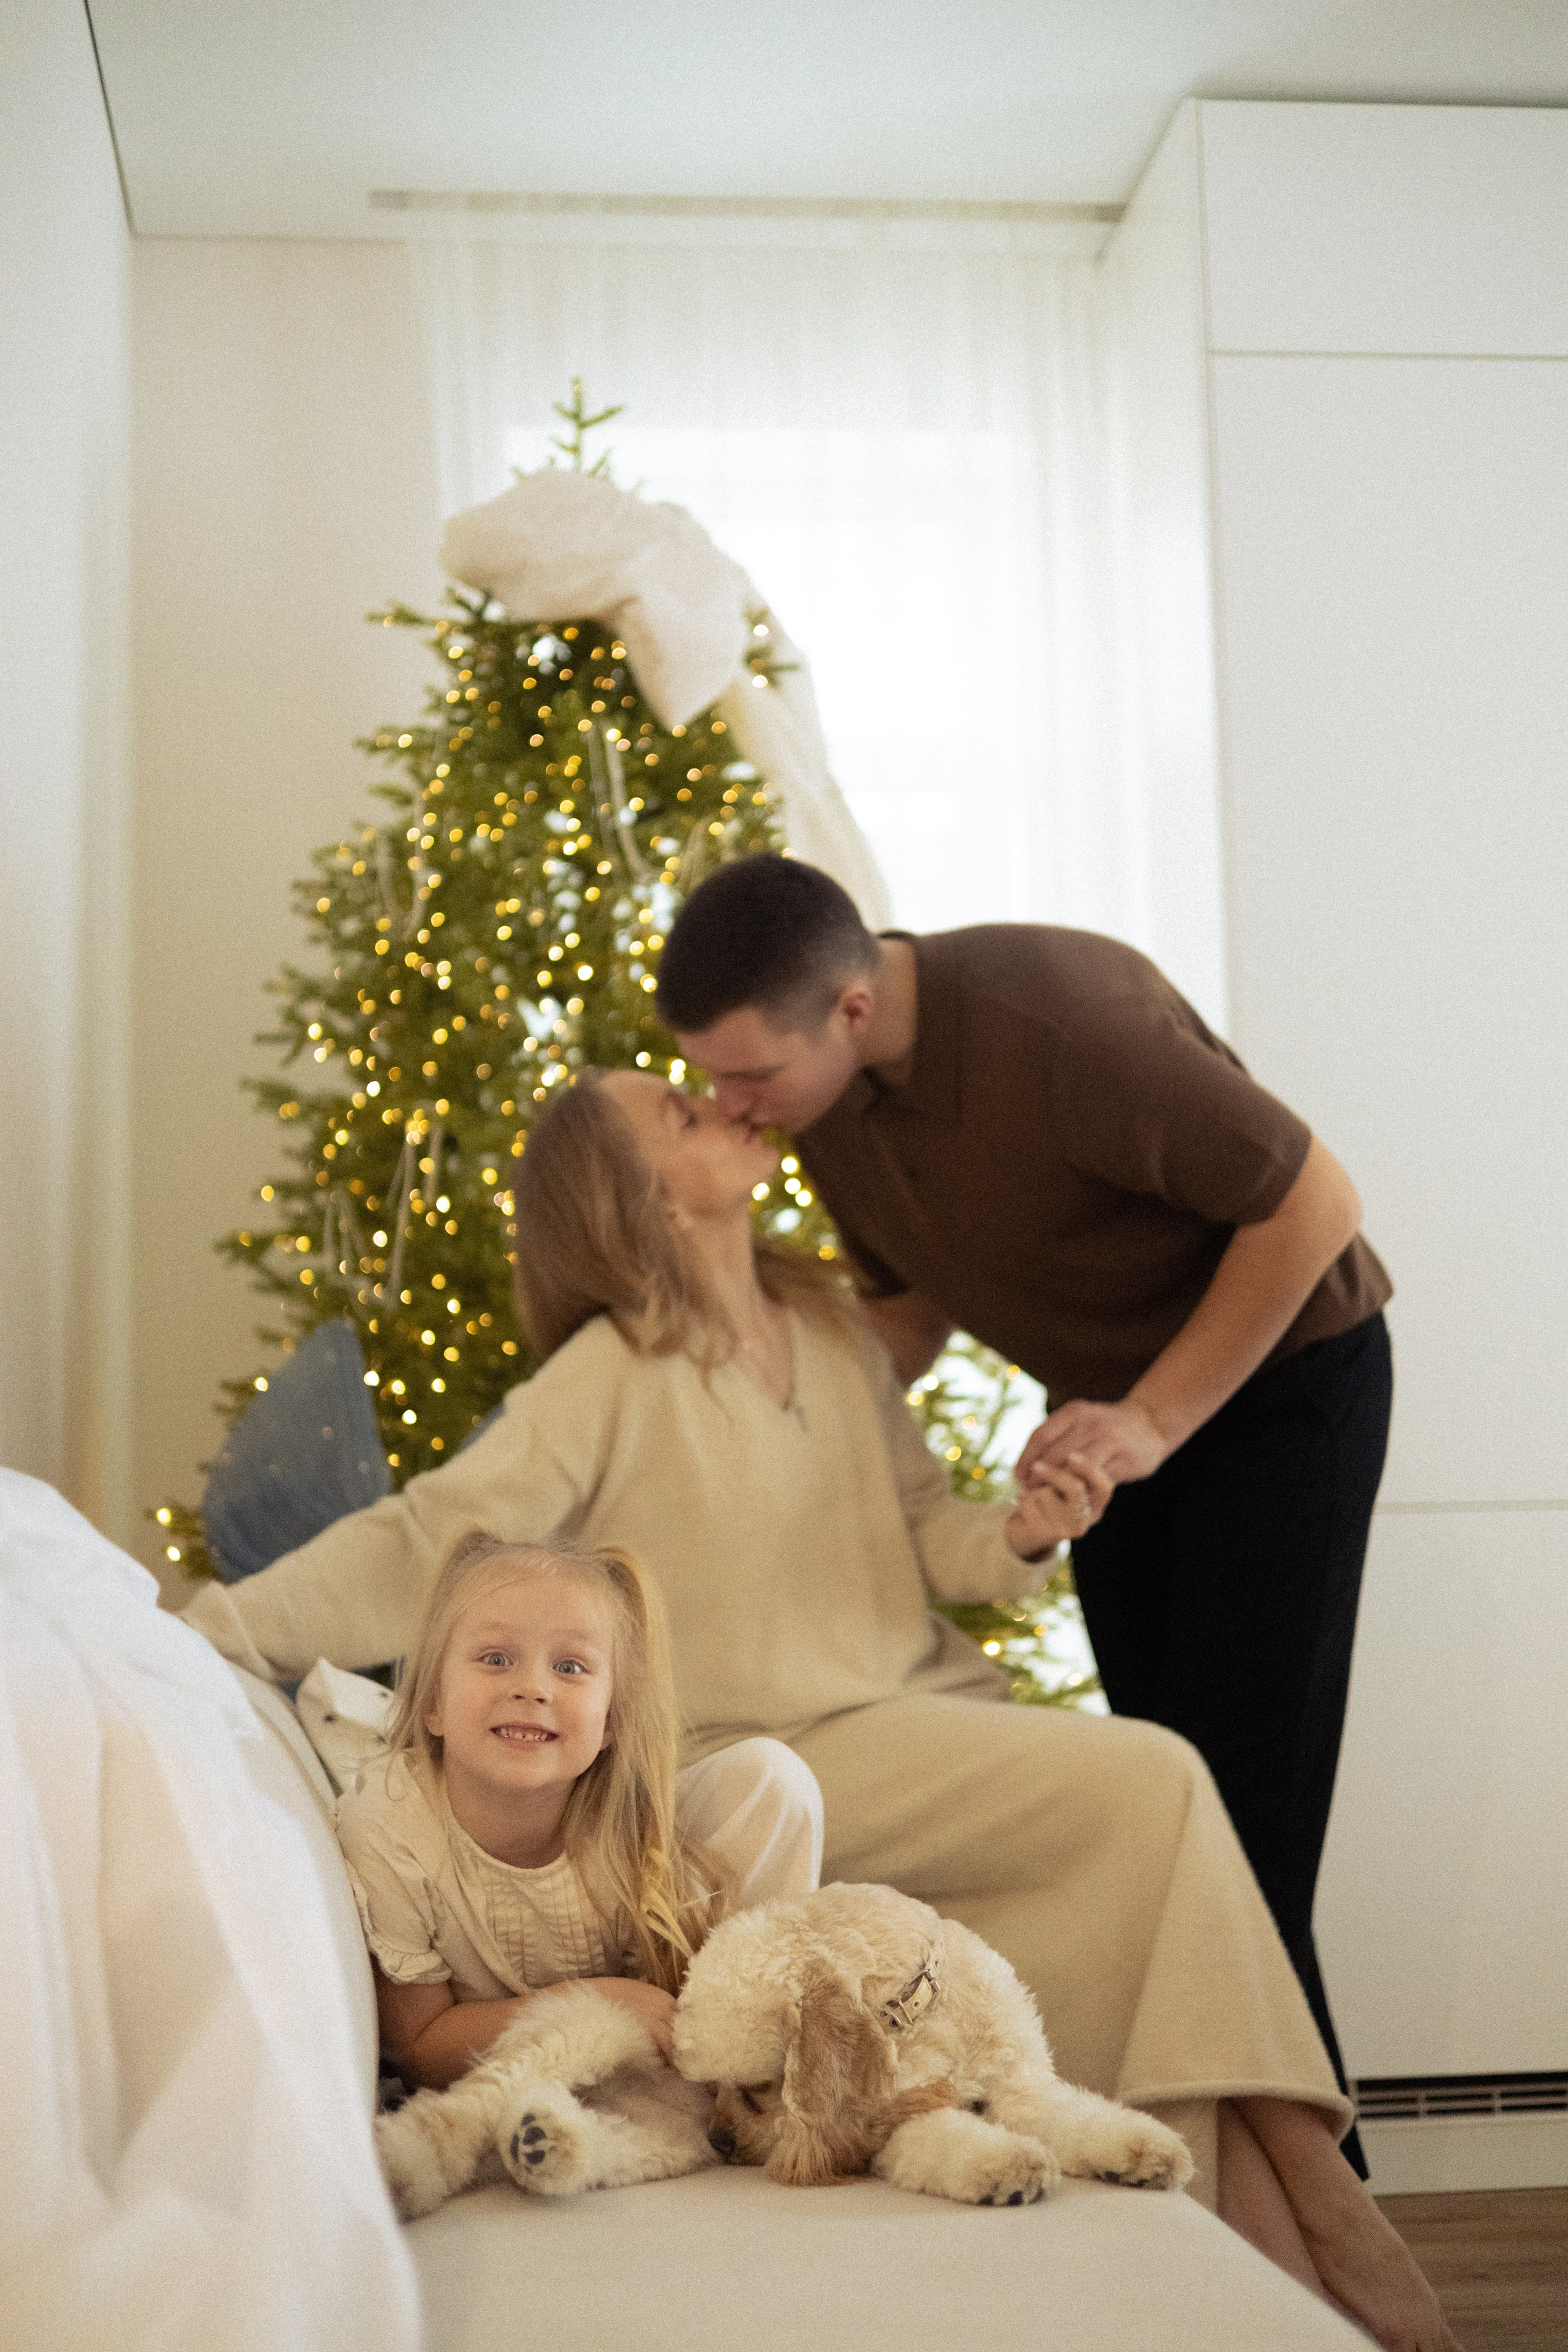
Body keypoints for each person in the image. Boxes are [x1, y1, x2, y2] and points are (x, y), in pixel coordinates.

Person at [186, 1069, 1453, 2348]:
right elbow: (429, 1536)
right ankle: (1313, 2218)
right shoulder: (610, 1371)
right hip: (781, 1745)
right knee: (1154, 1778)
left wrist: (1025, 1529)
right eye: (681, 1116)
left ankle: (1261, 2218)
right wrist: (209, 1627)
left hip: (915, 1710)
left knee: (1144, 1823)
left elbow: (932, 1533)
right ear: (634, 1196)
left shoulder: (831, 1331)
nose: (724, 1106)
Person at [654, 853, 1392, 2174]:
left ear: (851, 1010)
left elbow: (1316, 1201)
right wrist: (733, 1405)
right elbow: (907, 1314)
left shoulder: (1064, 1022)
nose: (730, 1106)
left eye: (750, 1075)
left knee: (1241, 1833)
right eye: (709, 1079)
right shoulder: (828, 1102)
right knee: (1163, 1826)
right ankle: (1230, 2194)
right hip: (1114, 1426)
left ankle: (1320, 2216)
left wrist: (1154, 1419)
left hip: (1278, 1391)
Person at [341, 1530, 775, 2086]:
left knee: (769, 1774)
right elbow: (419, 2053)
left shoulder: (627, 1825)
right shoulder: (390, 1825)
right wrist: (596, 2001)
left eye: (570, 1667)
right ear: (433, 1704)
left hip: (654, 2056)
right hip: (496, 2076)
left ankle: (762, 2049)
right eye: (496, 1658)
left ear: (611, 1721)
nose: (532, 1688)